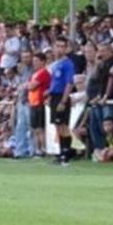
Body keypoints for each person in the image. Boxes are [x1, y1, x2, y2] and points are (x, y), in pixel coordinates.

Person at [49, 36, 75, 165]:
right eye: (57, 46)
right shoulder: (55, 64)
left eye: (62, 46)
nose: (59, 49)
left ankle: (66, 154)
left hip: (61, 96)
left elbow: (69, 83)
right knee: (57, 126)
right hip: (54, 96)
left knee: (64, 126)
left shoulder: (67, 63)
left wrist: (63, 101)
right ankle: (61, 153)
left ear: (66, 48)